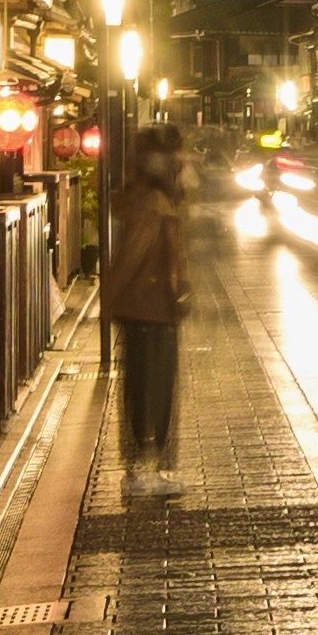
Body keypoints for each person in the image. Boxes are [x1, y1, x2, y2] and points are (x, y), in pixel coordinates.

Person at [102, 113, 192, 479]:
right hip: (152, 305)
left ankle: (145, 462)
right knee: (153, 386)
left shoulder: (152, 198)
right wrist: (110, 297)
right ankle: (148, 462)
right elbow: (134, 256)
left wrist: (111, 299)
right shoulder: (155, 203)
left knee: (142, 384)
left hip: (147, 307)